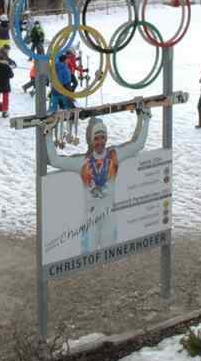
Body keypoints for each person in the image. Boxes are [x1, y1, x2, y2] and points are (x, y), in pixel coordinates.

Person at [48, 106, 151, 253]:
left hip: (109, 216)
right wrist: (47, 133)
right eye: (96, 138)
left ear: (106, 138)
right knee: (87, 257)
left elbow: (138, 145)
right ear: (91, 140)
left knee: (110, 254)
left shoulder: (114, 155)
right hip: (90, 218)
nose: (100, 142)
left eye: (102, 137)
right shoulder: (83, 162)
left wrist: (146, 119)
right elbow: (55, 160)